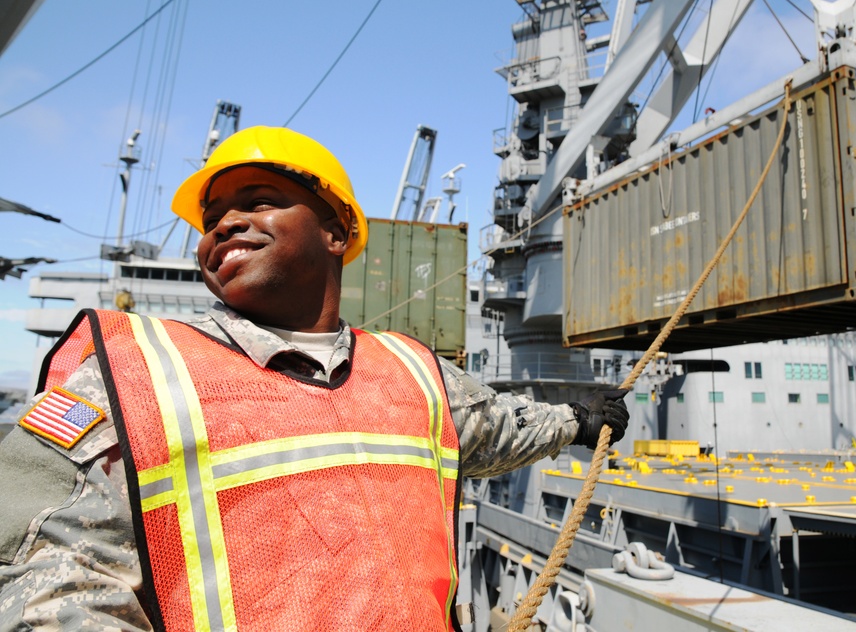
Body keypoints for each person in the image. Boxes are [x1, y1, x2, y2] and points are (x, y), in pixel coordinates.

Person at [0, 126, 629, 631]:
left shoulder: (413, 372)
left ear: (334, 232)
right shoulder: (132, 378)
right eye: (212, 217)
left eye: (259, 202)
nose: (222, 224)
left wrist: (579, 418)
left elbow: (493, 429)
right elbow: (53, 581)